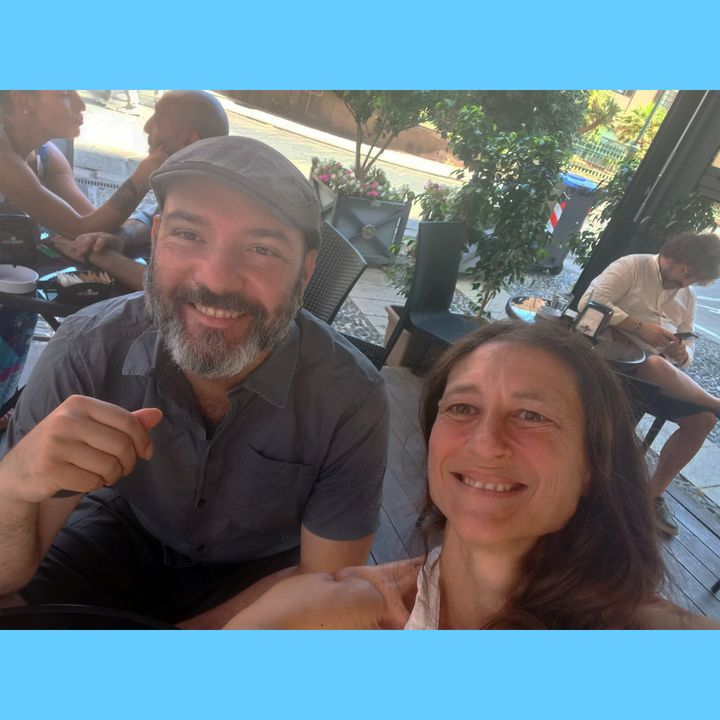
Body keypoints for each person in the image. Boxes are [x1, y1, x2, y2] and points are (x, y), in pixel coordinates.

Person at [0, 136, 388, 628]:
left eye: (262, 248)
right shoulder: (86, 349)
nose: (217, 280)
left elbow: (325, 582)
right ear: (156, 236)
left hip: (265, 571)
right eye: (188, 234)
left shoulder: (351, 399)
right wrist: (13, 485)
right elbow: (7, 576)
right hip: (126, 533)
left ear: (305, 270)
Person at [223, 322, 719, 630]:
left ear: (593, 465)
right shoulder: (323, 620)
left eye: (531, 415)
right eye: (462, 407)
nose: (485, 443)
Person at [578, 232, 720, 536]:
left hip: (658, 376)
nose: (686, 282)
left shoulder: (687, 296)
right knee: (655, 365)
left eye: (695, 280)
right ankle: (716, 403)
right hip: (613, 363)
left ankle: (652, 495)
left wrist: (682, 353)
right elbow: (590, 302)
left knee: (703, 420)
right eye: (687, 273)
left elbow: (689, 343)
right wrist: (640, 327)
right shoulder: (633, 266)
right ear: (672, 255)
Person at [51, 90, 230, 290]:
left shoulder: (215, 208)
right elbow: (150, 219)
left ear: (188, 140)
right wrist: (121, 237)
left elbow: (178, 289)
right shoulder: (187, 185)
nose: (146, 127)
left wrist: (100, 256)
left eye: (158, 119)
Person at [0, 90, 165, 238]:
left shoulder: (45, 156)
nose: (81, 105)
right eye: (65, 94)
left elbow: (94, 224)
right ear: (23, 100)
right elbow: (77, 228)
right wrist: (140, 179)